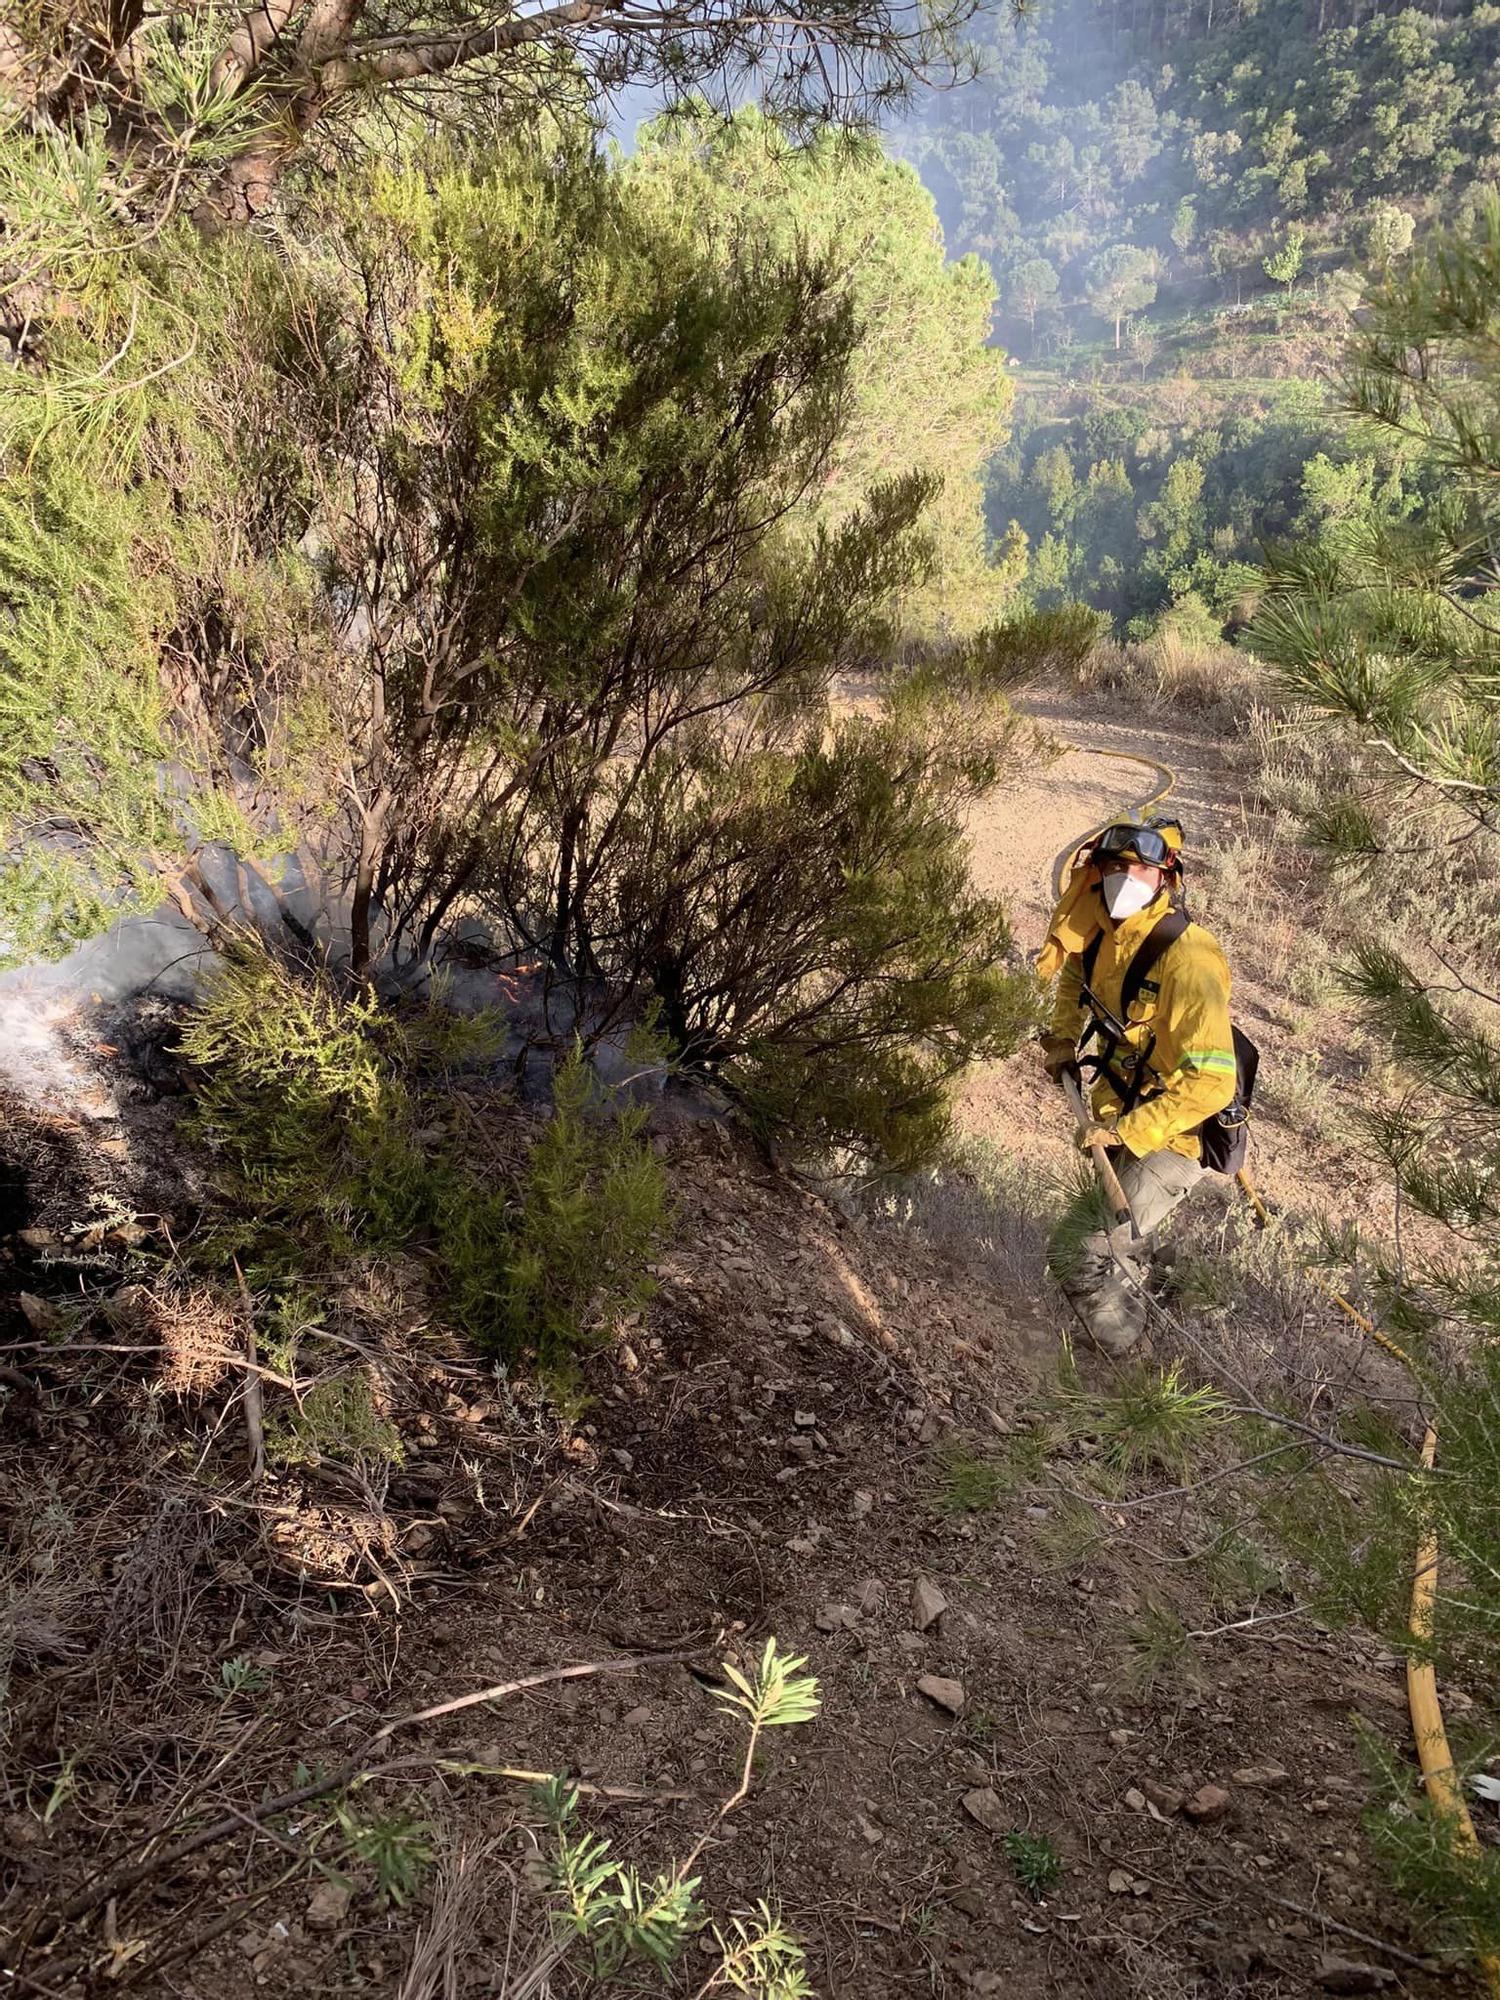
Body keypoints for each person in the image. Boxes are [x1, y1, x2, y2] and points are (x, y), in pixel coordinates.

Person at [1036, 817, 1239, 1356]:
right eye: (1115, 868)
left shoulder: (1190, 960)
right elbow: (1076, 974)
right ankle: (1167, 1276)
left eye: (1140, 870)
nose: (1125, 880)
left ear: (1165, 879)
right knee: (1119, 1229)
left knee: (1075, 1252)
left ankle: (1124, 1357)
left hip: (1175, 1133)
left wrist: (1128, 1132)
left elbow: (1213, 1082)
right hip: (1117, 1111)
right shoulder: (1100, 927)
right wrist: (1061, 1038)